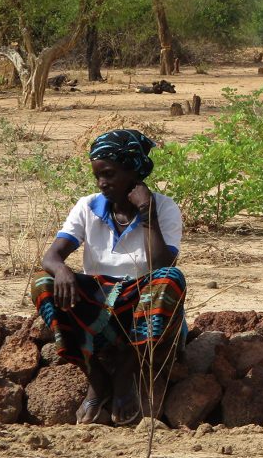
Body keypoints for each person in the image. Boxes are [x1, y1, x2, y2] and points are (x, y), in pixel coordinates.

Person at [31, 129, 186, 425]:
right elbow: (50, 257)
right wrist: (62, 270)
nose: (102, 183)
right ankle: (98, 378)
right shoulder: (88, 206)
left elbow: (162, 265)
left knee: (170, 279)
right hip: (100, 309)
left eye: (110, 174)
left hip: (143, 308)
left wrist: (147, 212)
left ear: (133, 171)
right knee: (43, 281)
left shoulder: (163, 208)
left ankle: (126, 373)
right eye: (98, 176)